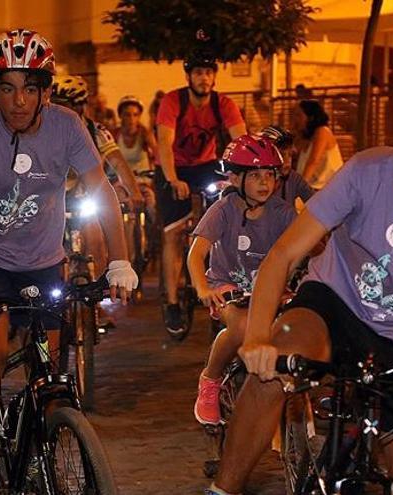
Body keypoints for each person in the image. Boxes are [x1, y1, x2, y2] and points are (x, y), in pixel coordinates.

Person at [208, 81, 393, 495]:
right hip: (333, 304)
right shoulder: (368, 172)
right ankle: (222, 489)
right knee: (276, 361)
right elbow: (282, 257)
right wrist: (259, 339)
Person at [0, 29, 137, 495]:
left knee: (49, 366)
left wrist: (119, 260)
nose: (18, 101)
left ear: (45, 91)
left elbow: (101, 189)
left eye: (29, 88)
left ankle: (47, 436)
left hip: (44, 261)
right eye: (7, 88)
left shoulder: (67, 127)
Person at [190, 134, 296, 425]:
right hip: (228, 287)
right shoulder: (223, 211)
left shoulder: (284, 213)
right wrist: (202, 288)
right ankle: (210, 379)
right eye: (255, 176)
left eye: (270, 175)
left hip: (273, 288)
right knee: (242, 325)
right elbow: (195, 254)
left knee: (298, 329)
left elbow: (310, 248)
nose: (265, 183)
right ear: (236, 179)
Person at [155, 51, 246, 335]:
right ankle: (172, 303)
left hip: (207, 166)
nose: (203, 78)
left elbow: (240, 140)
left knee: (224, 225)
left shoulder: (224, 104)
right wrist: (172, 179)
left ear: (214, 77)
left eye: (208, 73)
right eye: (198, 73)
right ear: (188, 77)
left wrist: (239, 178)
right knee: (173, 233)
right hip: (174, 168)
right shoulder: (173, 101)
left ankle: (221, 286)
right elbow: (164, 143)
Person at [50, 76, 144, 274]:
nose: (61, 111)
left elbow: (117, 160)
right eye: (56, 104)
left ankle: (97, 296)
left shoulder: (96, 130)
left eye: (67, 105)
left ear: (81, 106)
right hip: (54, 198)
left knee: (96, 242)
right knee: (48, 251)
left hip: (84, 196)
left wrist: (134, 192)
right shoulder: (44, 129)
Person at [116, 94, 158, 213]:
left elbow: (156, 153)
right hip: (122, 183)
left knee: (151, 206)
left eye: (135, 115)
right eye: (127, 115)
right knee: (119, 207)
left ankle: (153, 231)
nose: (131, 119)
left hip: (143, 182)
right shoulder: (115, 134)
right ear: (121, 116)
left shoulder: (145, 134)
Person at [293, 99, 343, 190]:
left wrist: (300, 187)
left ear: (310, 117)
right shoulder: (306, 136)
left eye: (299, 115)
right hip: (314, 187)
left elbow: (314, 160)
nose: (295, 119)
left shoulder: (323, 132)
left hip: (327, 189)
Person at [259, 125, 313, 207]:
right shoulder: (254, 182)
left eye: (290, 155)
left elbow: (317, 205)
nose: (288, 161)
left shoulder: (293, 178)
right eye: (282, 155)